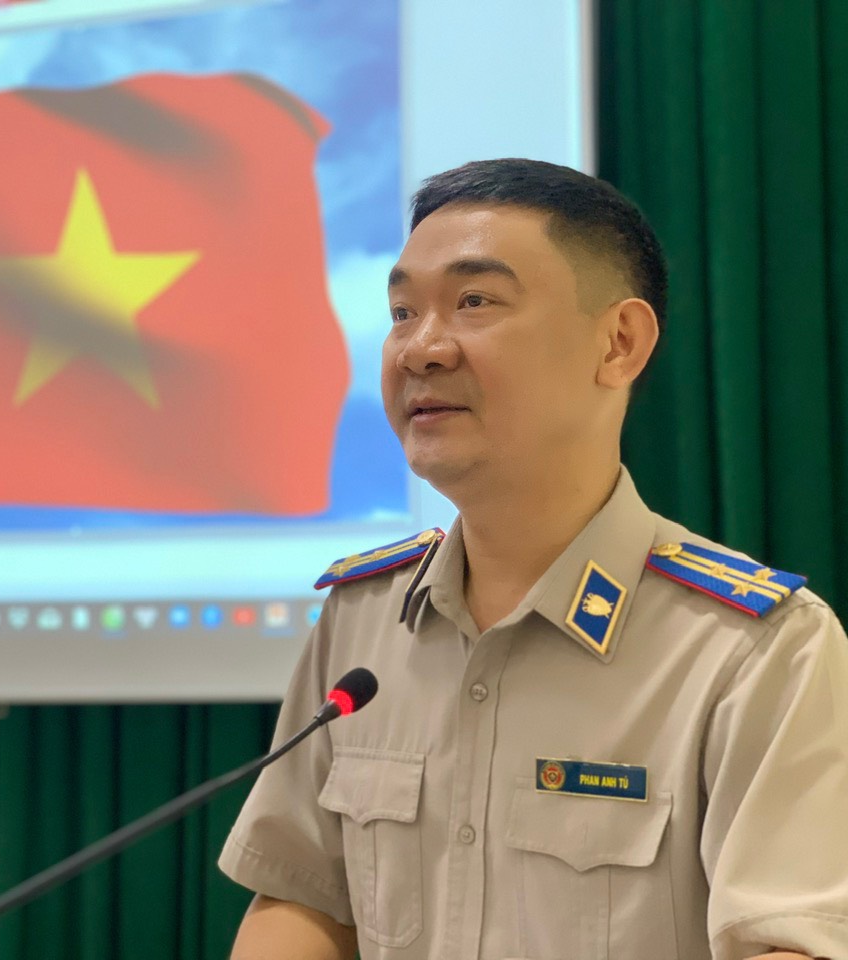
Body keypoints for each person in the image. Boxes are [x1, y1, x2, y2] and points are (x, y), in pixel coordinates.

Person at [218, 158, 848, 960]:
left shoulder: (756, 651)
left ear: (619, 343)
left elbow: (789, 943)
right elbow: (302, 899)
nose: (420, 349)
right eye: (403, 312)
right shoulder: (363, 617)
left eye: (474, 302)